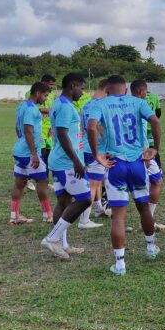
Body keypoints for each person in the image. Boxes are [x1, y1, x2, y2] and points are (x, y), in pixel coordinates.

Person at [88, 75, 162, 276]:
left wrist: (96, 155)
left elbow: (92, 126)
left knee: (119, 217)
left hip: (116, 164)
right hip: (138, 163)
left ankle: (120, 264)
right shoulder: (138, 102)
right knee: (143, 208)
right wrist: (155, 148)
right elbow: (155, 121)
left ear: (108, 90)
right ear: (126, 89)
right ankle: (150, 248)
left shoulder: (100, 103)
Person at [40, 73, 91, 260]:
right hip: (66, 162)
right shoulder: (65, 107)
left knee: (64, 201)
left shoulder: (60, 103)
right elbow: (61, 134)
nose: (82, 91)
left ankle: (62, 245)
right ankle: (52, 239)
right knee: (85, 199)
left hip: (59, 160)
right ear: (72, 85)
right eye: (81, 88)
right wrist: (77, 161)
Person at [10, 81, 53, 224]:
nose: (46, 99)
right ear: (38, 93)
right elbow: (28, 131)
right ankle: (48, 215)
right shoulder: (31, 109)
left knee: (20, 183)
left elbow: (18, 128)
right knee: (42, 181)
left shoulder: (22, 106)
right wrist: (34, 153)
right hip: (28, 153)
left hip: (20, 150)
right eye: (45, 95)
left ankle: (14, 216)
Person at [131, 80, 165, 231]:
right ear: (140, 91)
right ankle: (148, 219)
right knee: (156, 181)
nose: (147, 94)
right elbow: (155, 122)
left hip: (126, 152)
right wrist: (151, 148)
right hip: (141, 152)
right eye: (145, 91)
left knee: (124, 188)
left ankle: (144, 219)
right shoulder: (140, 105)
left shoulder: (125, 105)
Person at [78, 79, 109, 226]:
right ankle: (84, 220)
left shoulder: (86, 104)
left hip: (84, 147)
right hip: (96, 149)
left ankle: (97, 208)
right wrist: (109, 141)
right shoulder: (100, 105)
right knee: (93, 184)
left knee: (95, 183)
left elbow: (83, 127)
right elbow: (96, 127)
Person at [24, 74, 56, 167]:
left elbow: (53, 110)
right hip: (38, 128)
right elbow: (31, 108)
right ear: (43, 83)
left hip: (48, 129)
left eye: (53, 85)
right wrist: (46, 110)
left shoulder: (52, 95)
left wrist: (51, 126)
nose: (52, 87)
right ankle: (33, 179)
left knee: (48, 157)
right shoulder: (30, 93)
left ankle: (44, 179)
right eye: (50, 84)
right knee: (39, 155)